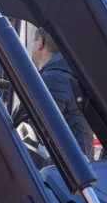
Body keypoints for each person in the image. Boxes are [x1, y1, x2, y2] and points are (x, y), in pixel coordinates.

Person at [28, 29, 95, 158]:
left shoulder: (54, 78)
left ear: (40, 43)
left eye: (33, 41)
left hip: (67, 169)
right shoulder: (66, 74)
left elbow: (41, 129)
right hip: (77, 163)